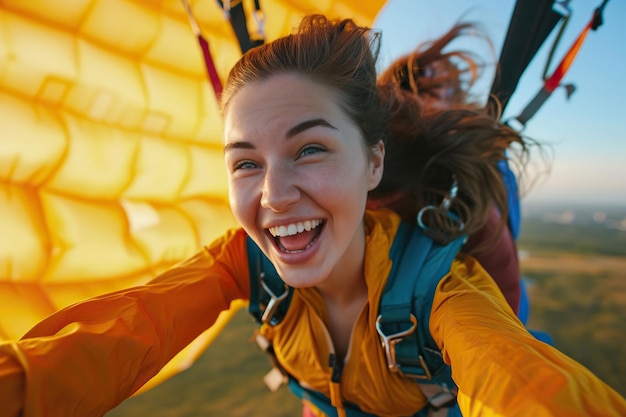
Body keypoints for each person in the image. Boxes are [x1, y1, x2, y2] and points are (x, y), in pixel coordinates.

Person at [0, 14, 624, 417]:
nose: (273, 194)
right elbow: (123, 331)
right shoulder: (244, 261)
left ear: (373, 163)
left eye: (309, 149)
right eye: (245, 162)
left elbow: (520, 383)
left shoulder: (443, 294)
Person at [367, 22, 523, 314]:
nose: (423, 88)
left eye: (434, 88)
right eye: (412, 81)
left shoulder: (471, 190)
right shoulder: (363, 144)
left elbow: (505, 292)